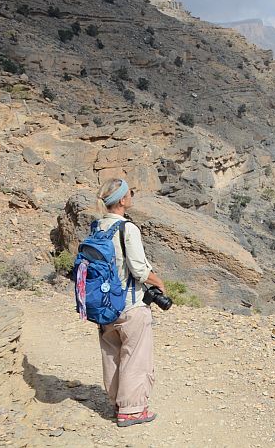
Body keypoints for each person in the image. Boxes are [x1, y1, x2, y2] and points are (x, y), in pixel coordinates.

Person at [94, 178, 165, 427]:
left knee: (112, 355)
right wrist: (159, 283)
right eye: (129, 193)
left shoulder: (98, 227)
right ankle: (132, 411)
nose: (131, 196)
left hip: (103, 307)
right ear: (122, 200)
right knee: (135, 358)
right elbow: (138, 269)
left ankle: (117, 404)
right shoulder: (127, 228)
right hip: (129, 306)